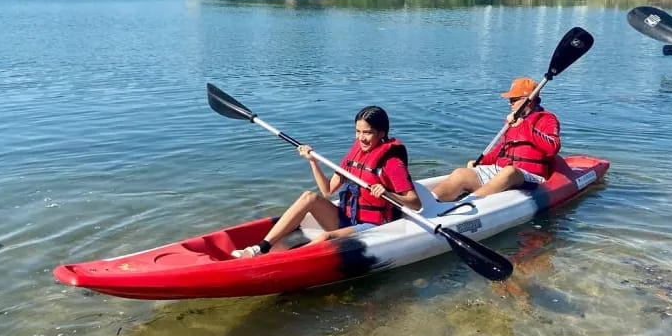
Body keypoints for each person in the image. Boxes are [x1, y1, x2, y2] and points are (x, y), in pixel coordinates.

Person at [232, 106, 421, 258]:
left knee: (326, 236)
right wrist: (313, 161)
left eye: (368, 133)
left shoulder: (391, 162)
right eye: (357, 131)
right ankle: (259, 249)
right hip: (348, 218)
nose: (360, 138)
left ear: (381, 133)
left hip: (374, 226)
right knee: (309, 197)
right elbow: (327, 190)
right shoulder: (355, 153)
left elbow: (415, 202)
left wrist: (387, 193)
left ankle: (283, 261)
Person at [431, 77, 561, 202]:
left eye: (513, 99)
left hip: (530, 177)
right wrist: (482, 162)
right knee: (461, 173)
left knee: (509, 172)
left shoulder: (547, 119)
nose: (510, 103)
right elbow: (501, 149)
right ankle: (430, 202)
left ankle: (468, 204)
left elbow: (553, 147)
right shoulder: (512, 121)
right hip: (503, 171)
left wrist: (525, 126)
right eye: (510, 99)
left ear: (528, 100)